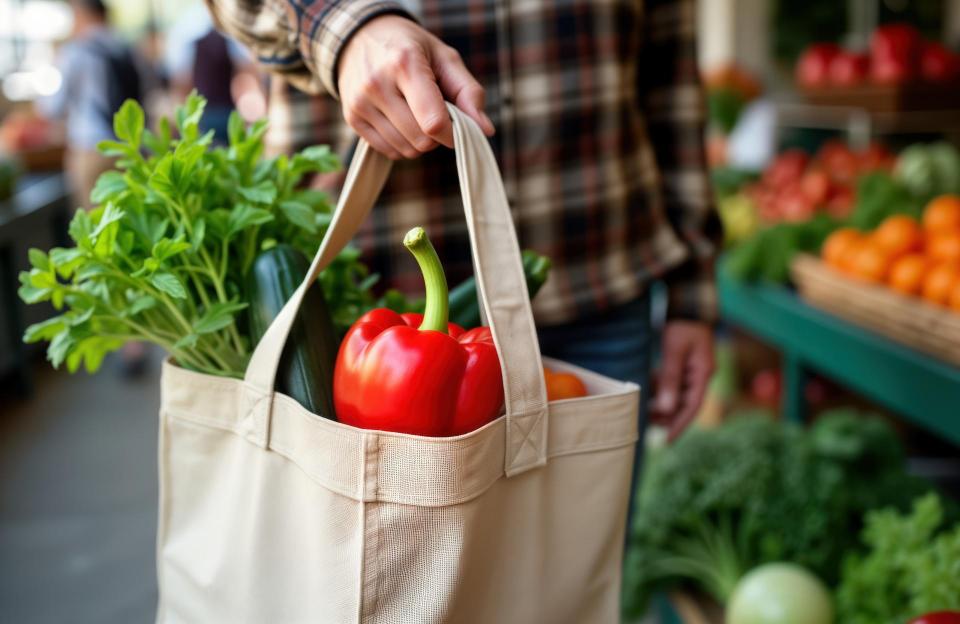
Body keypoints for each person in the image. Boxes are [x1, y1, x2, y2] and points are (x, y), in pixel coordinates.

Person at [204, 0, 718, 445]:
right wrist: (344, 26)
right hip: (353, 310)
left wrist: (692, 291)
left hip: (600, 280)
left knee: (578, 551)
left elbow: (670, 73)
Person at [38, 0, 143, 210]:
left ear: (83, 14)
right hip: (130, 146)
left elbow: (52, 107)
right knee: (130, 214)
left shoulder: (76, 51)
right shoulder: (127, 48)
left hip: (90, 148)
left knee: (94, 220)